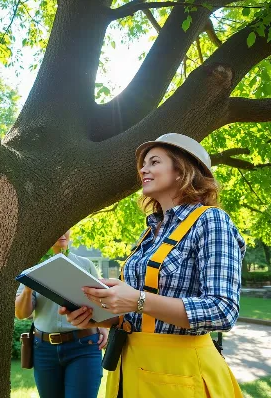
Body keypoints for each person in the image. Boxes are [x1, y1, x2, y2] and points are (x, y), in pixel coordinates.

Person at [60, 133, 245, 398]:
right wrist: (98, 315)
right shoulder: (151, 232)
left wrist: (138, 300)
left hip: (180, 374)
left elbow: (223, 310)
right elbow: (139, 313)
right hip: (129, 369)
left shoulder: (212, 221)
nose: (143, 169)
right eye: (143, 164)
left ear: (182, 171)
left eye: (154, 162)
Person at [15, 230, 109, 398]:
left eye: (67, 227)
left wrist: (104, 327)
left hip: (83, 346)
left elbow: (101, 304)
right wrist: (29, 287)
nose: (63, 233)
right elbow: (21, 314)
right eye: (57, 228)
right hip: (43, 350)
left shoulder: (85, 265)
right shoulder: (32, 267)